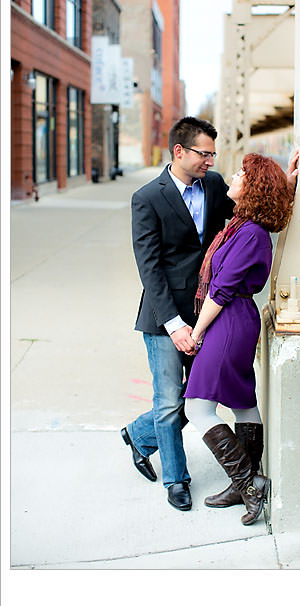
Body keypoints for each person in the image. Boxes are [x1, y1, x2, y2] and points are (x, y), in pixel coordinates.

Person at [122, 117, 235, 511]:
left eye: (212, 154)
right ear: (179, 151)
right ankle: (176, 480)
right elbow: (149, 268)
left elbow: (244, 217)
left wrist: (285, 184)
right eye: (204, 153)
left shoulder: (216, 185)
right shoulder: (147, 198)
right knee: (170, 400)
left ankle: (138, 435)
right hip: (163, 315)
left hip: (207, 309)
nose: (210, 160)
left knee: (199, 396)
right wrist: (174, 326)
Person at [182, 153, 294, 526]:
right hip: (236, 320)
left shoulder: (250, 233)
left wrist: (197, 333)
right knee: (243, 403)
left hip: (228, 321)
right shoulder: (245, 226)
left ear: (253, 187)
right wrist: (289, 182)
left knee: (197, 408)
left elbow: (221, 291)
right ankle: (242, 483)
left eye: (241, 173)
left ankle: (248, 482)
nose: (233, 174)